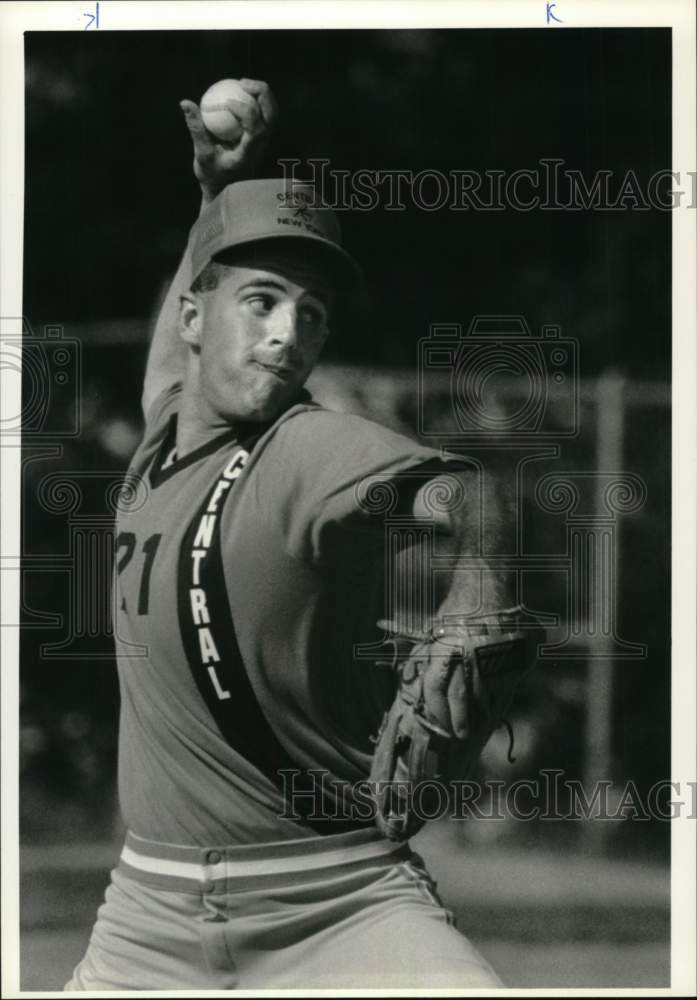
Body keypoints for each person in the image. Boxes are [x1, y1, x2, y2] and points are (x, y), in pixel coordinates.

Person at [66, 78, 511, 990]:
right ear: (194, 320)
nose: (287, 334)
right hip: (143, 919)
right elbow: (177, 343)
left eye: (311, 313)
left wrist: (475, 586)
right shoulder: (163, 439)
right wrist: (214, 196)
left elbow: (465, 495)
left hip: (339, 901)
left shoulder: (309, 450)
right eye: (262, 302)